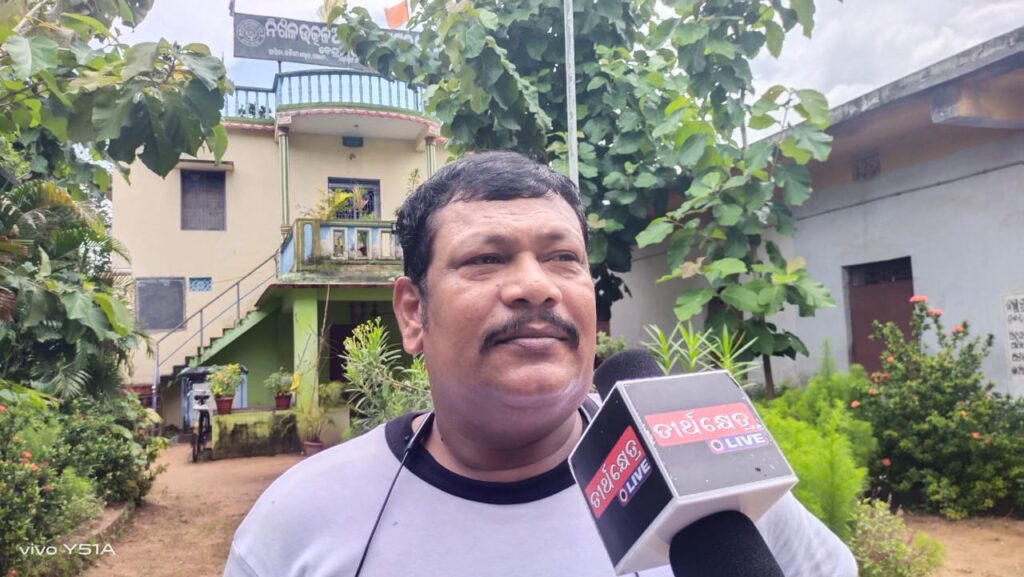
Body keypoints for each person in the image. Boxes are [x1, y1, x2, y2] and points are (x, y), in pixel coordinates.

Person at [223, 151, 858, 577]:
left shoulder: (702, 471)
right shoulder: (303, 519)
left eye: (563, 258)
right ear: (414, 312)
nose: (536, 286)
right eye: (486, 259)